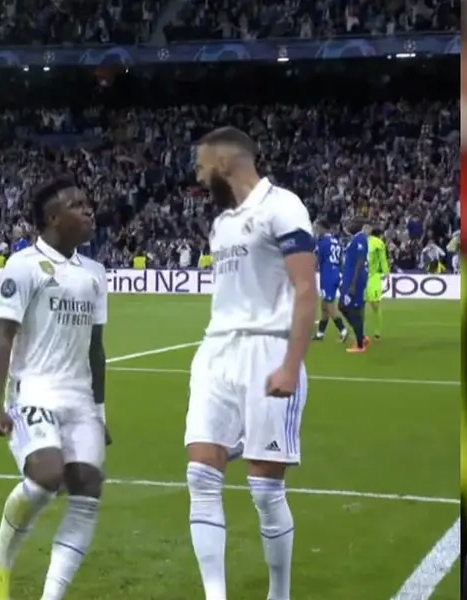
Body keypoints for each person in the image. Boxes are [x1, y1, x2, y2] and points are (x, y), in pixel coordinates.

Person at [185, 126, 317, 600]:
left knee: (264, 491)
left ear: (224, 162)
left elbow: (306, 289)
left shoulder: (282, 206)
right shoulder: (221, 224)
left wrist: (290, 364)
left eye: (202, 165)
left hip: (268, 350)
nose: (199, 176)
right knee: (200, 476)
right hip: (216, 352)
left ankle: (278, 594)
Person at [0, 177, 109, 600]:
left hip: (79, 397)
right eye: (78, 205)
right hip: (32, 390)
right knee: (46, 476)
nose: (89, 210)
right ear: (53, 218)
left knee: (87, 487)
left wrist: (100, 411)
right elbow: (3, 338)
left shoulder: (95, 274)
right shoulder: (23, 266)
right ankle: (0, 560)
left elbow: (96, 348)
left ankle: (51, 596)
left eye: (88, 204)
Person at [313, 220, 348, 342]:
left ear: (323, 228)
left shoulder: (322, 242)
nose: (316, 231)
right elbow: (341, 260)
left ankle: (343, 331)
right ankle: (320, 334)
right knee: (324, 306)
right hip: (336, 273)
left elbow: (316, 260)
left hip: (327, 275)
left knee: (329, 306)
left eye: (317, 228)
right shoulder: (336, 241)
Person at [339, 219, 370, 353]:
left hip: (354, 280)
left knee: (352, 310)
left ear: (359, 226)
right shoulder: (355, 239)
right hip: (348, 279)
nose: (348, 226)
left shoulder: (361, 239)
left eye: (352, 223)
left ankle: (360, 345)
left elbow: (360, 262)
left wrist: (353, 284)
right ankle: (361, 336)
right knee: (342, 306)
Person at [365, 225, 390, 339]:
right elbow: (383, 259)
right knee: (375, 305)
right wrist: (386, 272)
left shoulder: (362, 241)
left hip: (364, 276)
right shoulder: (379, 243)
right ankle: (377, 331)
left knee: (360, 306)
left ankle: (371, 331)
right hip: (373, 277)